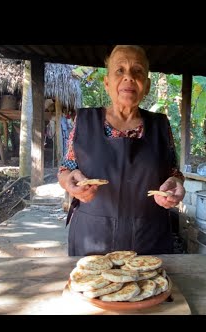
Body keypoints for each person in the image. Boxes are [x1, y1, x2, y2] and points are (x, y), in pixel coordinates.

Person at [58, 45, 185, 256]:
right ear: (107, 83)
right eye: (120, 70)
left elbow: (174, 173)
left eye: (137, 71)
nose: (128, 77)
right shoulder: (84, 121)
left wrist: (177, 185)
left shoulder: (160, 125)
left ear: (147, 85)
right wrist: (70, 182)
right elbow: (65, 170)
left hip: (149, 240)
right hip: (92, 239)